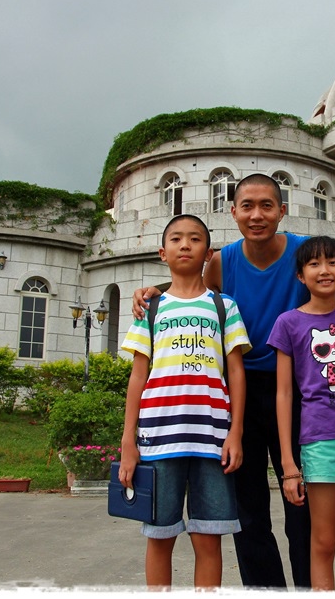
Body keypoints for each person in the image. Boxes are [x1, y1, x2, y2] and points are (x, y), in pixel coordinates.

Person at [133, 173, 335, 589]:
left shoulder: (305, 252)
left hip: (305, 394)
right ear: (233, 212)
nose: (256, 215)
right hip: (242, 392)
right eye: (246, 206)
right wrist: (151, 292)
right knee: (249, 511)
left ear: (282, 210)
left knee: (303, 508)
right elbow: (188, 285)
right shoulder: (222, 262)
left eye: (267, 205)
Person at [118, 214, 250, 589]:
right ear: (163, 252)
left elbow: (236, 373)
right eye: (176, 239)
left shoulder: (224, 307)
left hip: (212, 442)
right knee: (159, 537)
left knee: (209, 539)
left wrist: (235, 432)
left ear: (208, 254)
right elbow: (138, 376)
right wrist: (129, 440)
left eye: (194, 239)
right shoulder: (151, 310)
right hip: (158, 441)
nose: (185, 244)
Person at [267, 236, 335, 591]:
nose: (325, 270)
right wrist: (287, 462)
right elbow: (284, 394)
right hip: (318, 440)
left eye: (333, 262)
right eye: (314, 264)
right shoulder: (287, 323)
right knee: (323, 542)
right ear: (301, 275)